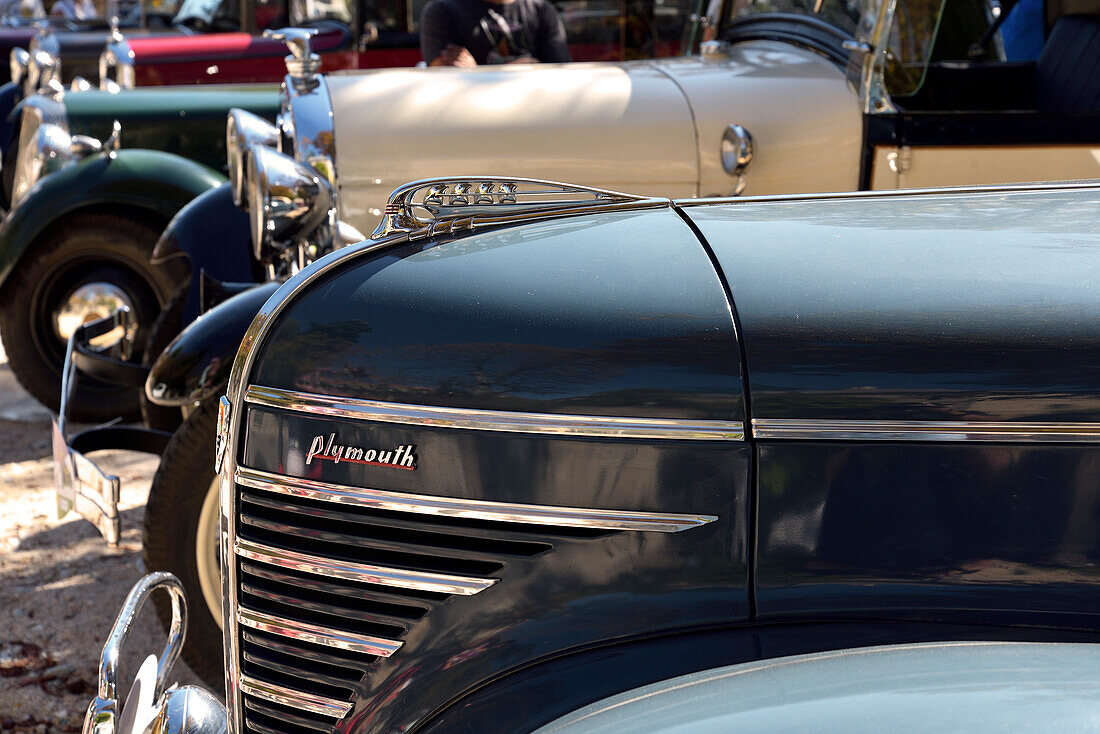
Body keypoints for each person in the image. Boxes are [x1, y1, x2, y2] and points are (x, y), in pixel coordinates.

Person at [420, 0, 570, 66]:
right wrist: (531, 63)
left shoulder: (543, 11)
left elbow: (558, 75)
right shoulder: (442, 12)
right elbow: (449, 80)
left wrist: (477, 73)